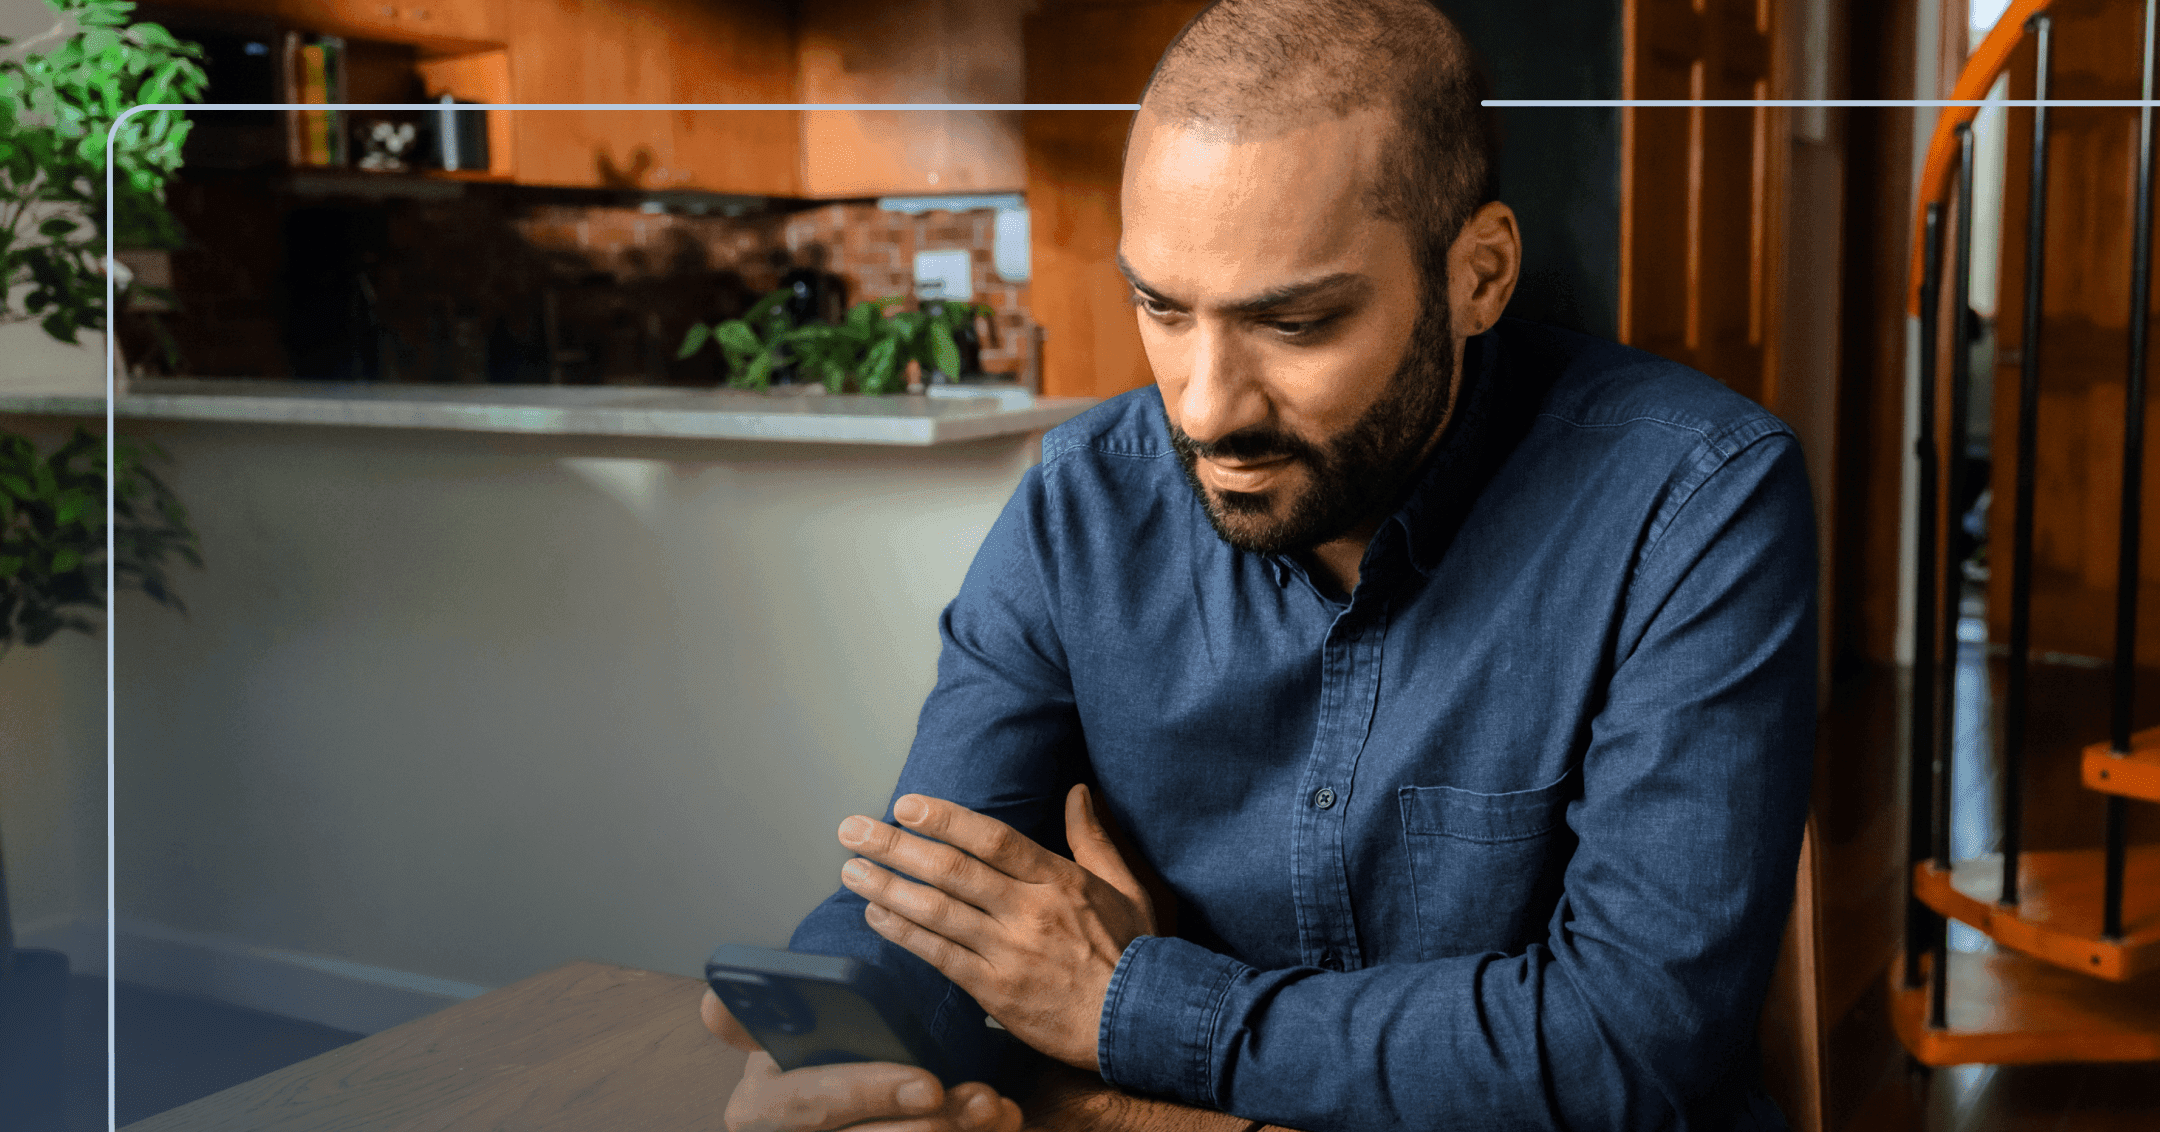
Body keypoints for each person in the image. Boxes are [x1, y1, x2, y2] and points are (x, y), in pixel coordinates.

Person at [702, 1, 1816, 1128]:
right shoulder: (1084, 503)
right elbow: (941, 896)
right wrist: (856, 1044)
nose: (1204, 406)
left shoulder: (1696, 501)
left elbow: (1628, 1043)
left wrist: (1129, 1004)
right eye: (1161, 307)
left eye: (1295, 324)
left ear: (1479, 274)